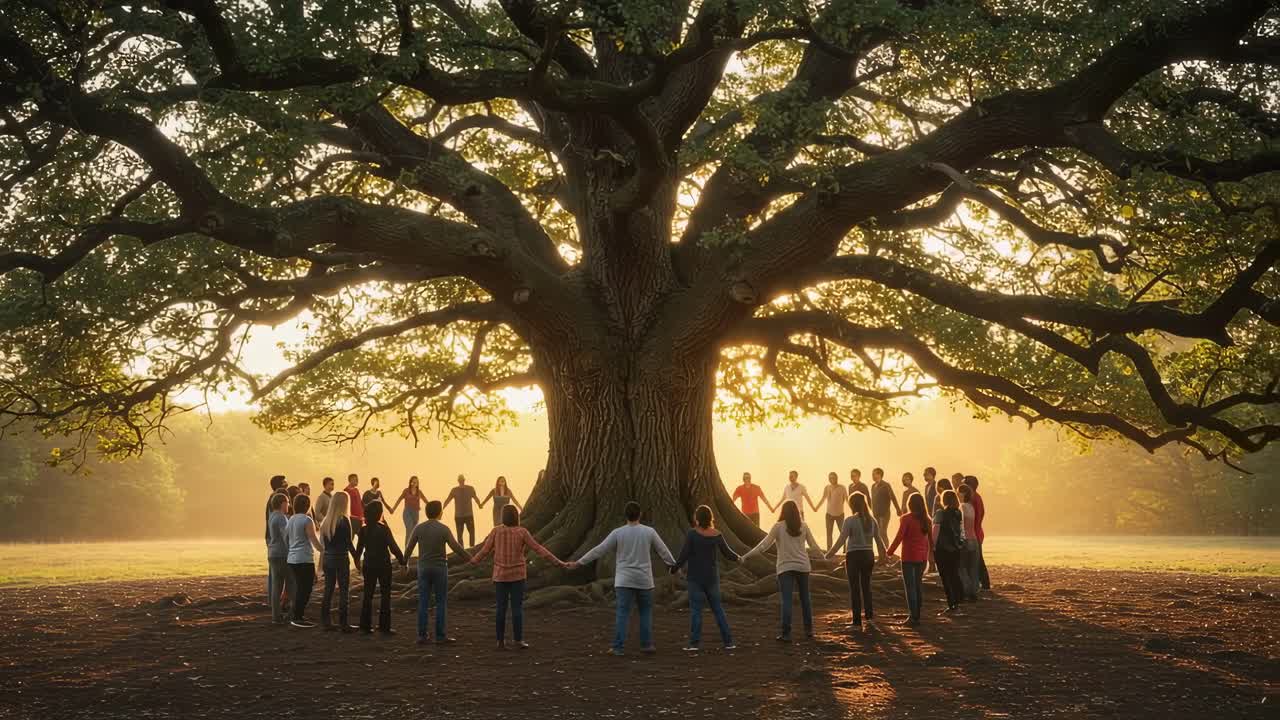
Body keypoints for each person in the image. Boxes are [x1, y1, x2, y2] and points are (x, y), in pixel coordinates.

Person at [571, 501, 676, 656]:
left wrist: (579, 562)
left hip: (624, 580)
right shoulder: (649, 532)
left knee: (622, 613)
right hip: (644, 580)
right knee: (645, 612)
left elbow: (599, 550)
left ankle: (618, 647)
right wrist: (674, 566)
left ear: (625, 516)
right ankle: (646, 645)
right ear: (640, 514)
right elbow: (663, 551)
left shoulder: (618, 533)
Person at [470, 505, 566, 649]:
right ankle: (518, 640)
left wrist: (473, 561)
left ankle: (500, 642)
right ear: (517, 516)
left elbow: (484, 550)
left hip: (500, 576)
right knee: (517, 609)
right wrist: (557, 562)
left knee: (500, 609)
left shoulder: (496, 531)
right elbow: (538, 549)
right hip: (517, 576)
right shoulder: (522, 532)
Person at [742, 500, 823, 642]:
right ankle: (809, 631)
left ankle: (786, 634)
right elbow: (814, 546)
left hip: (785, 568)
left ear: (783, 512)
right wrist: (825, 557)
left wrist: (746, 556)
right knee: (805, 599)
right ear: (797, 512)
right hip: (803, 567)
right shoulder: (803, 526)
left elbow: (763, 546)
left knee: (787, 601)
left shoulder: (778, 527)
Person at [671, 505, 739, 651]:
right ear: (710, 518)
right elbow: (728, 553)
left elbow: (684, 555)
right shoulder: (717, 534)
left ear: (697, 518)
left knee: (696, 610)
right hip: (712, 578)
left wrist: (674, 569)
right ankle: (728, 642)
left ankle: (694, 643)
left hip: (695, 578)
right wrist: (739, 558)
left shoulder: (692, 534)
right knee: (718, 609)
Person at [404, 500, 470, 645]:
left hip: (423, 568)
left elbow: (409, 548)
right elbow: (456, 547)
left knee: (423, 601)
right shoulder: (444, 529)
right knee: (441, 602)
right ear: (439, 512)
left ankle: (422, 635)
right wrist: (471, 559)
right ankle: (440, 636)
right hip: (440, 568)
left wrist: (404, 563)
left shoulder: (418, 528)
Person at [826, 492, 886, 631]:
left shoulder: (850, 520)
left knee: (855, 589)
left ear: (852, 505)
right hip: (869, 556)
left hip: (853, 556)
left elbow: (842, 540)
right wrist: (884, 555)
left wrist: (829, 554)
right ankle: (870, 618)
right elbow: (879, 540)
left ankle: (857, 623)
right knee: (866, 586)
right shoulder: (872, 520)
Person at [354, 500, 404, 634]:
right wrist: (403, 561)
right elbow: (393, 547)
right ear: (380, 514)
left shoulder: (363, 530)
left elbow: (359, 549)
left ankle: (364, 626)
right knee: (385, 595)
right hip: (383, 565)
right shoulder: (384, 529)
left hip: (369, 564)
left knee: (367, 595)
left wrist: (357, 561)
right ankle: (384, 627)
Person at [886, 492, 931, 626]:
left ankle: (913, 615)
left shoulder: (906, 519)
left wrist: (889, 552)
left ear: (910, 504)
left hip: (909, 557)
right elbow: (930, 540)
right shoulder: (927, 519)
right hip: (922, 558)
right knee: (917, 584)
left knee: (910, 586)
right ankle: (917, 612)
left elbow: (899, 537)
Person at [317, 491, 359, 632]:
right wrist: (357, 558)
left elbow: (323, 545)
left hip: (328, 559)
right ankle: (343, 623)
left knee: (328, 590)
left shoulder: (325, 522)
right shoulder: (344, 520)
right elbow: (348, 543)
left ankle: (326, 621)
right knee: (343, 591)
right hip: (341, 558)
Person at [286, 494, 324, 628]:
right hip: (304, 558)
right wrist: (324, 549)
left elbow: (287, 538)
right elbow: (313, 539)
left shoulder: (290, 519)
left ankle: (297, 614)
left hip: (292, 559)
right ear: (307, 506)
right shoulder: (307, 520)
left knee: (300, 587)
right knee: (305, 589)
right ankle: (298, 616)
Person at [931, 489, 967, 614]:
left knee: (945, 578)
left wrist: (932, 547)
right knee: (954, 575)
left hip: (942, 550)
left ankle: (952, 604)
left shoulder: (940, 513)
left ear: (943, 500)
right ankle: (959, 600)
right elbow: (961, 530)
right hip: (956, 549)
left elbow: (935, 532)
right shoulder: (958, 513)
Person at [266, 492, 290, 625]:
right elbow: (285, 536)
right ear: (282, 503)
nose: (289, 505)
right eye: (287, 502)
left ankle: (276, 616)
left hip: (272, 553)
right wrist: (292, 551)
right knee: (291, 583)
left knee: (276, 586)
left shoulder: (272, 516)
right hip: (282, 554)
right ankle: (293, 614)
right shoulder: (281, 517)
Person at [963, 475, 990, 590]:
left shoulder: (974, 498)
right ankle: (983, 584)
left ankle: (985, 584)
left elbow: (977, 518)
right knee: (977, 560)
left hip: (974, 533)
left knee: (977, 561)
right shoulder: (975, 497)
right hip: (975, 532)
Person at [389, 476, 427, 553]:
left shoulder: (419, 492)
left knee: (413, 532)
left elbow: (426, 501)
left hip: (416, 513)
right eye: (412, 482)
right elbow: (399, 500)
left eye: (416, 482)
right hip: (407, 512)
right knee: (409, 529)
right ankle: (407, 550)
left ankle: (411, 549)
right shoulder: (406, 491)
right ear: (410, 482)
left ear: (417, 483)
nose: (414, 483)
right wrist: (393, 509)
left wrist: (434, 509)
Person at [868, 468, 900, 560]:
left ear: (880, 475)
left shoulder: (886, 485)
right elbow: (872, 500)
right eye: (872, 474)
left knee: (883, 532)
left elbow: (892, 497)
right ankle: (881, 553)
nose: (873, 476)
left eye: (874, 474)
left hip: (884, 513)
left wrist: (898, 509)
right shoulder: (873, 486)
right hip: (876, 513)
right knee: (877, 534)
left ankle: (887, 553)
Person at [264, 475, 287, 601]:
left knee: (274, 570)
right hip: (274, 538)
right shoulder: (275, 499)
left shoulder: (273, 498)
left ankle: (274, 599)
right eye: (284, 482)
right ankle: (274, 600)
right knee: (275, 572)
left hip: (272, 537)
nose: (286, 483)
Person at [443, 474, 480, 546]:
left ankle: (471, 547)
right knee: (460, 535)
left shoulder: (470, 488)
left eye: (462, 480)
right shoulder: (454, 490)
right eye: (460, 480)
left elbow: (476, 498)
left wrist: (480, 505)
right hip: (459, 516)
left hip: (468, 515)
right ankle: (462, 550)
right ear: (458, 481)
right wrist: (442, 509)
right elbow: (447, 500)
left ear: (464, 480)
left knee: (471, 533)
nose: (461, 481)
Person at [958, 483, 980, 601]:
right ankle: (974, 591)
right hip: (974, 539)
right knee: (973, 568)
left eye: (959, 492)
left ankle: (967, 591)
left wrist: (960, 540)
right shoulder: (971, 506)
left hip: (965, 539)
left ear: (963, 493)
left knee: (961, 567)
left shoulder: (962, 506)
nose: (957, 493)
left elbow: (961, 524)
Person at [819, 472, 849, 551]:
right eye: (830, 478)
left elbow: (847, 499)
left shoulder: (842, 487)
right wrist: (816, 508)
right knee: (829, 533)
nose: (831, 479)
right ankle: (829, 550)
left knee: (843, 532)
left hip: (840, 514)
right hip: (829, 514)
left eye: (833, 477)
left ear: (836, 478)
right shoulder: (827, 487)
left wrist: (854, 509)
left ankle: (845, 549)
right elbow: (823, 498)